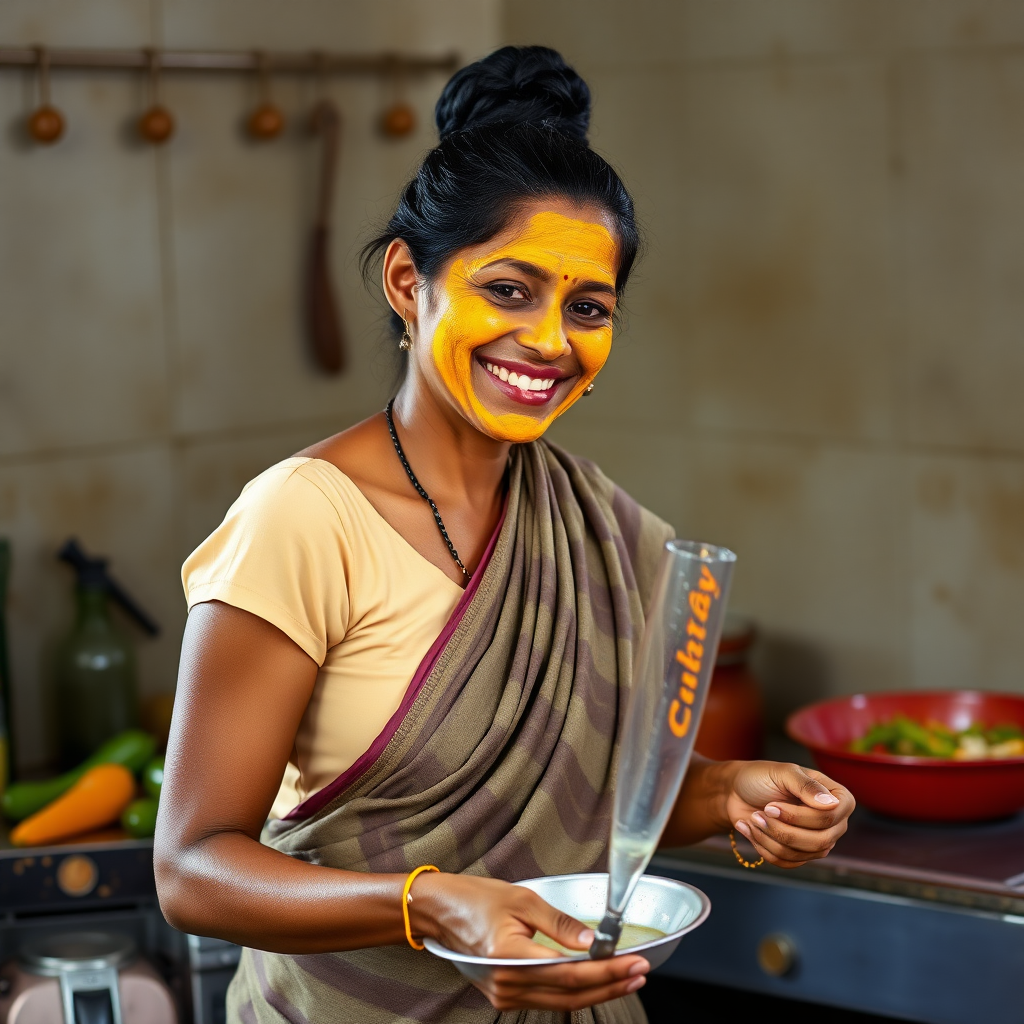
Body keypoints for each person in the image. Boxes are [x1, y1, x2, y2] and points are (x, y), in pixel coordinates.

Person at [154, 45, 854, 1024]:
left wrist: (742, 796)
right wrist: (430, 904)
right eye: (510, 290)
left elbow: (607, 800)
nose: (549, 342)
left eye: (589, 308)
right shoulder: (301, 519)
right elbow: (193, 869)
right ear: (409, 281)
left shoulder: (607, 530)